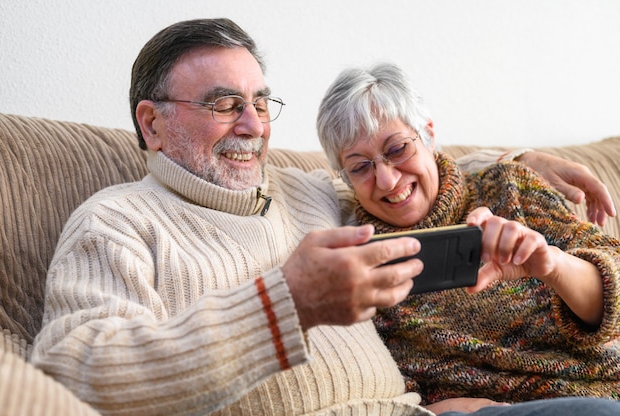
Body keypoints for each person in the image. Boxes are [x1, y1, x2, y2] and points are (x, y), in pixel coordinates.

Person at [30, 18, 619, 416]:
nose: (254, 126)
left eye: (261, 103)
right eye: (225, 104)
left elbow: (404, 174)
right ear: (153, 125)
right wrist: (283, 304)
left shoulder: (308, 192)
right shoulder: (116, 222)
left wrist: (518, 159)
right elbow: (67, 373)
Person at [316, 62, 620, 407]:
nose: (386, 180)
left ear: (428, 136)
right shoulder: (365, 266)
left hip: (602, 389)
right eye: (360, 167)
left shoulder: (509, 189)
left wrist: (553, 266)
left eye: (398, 149)